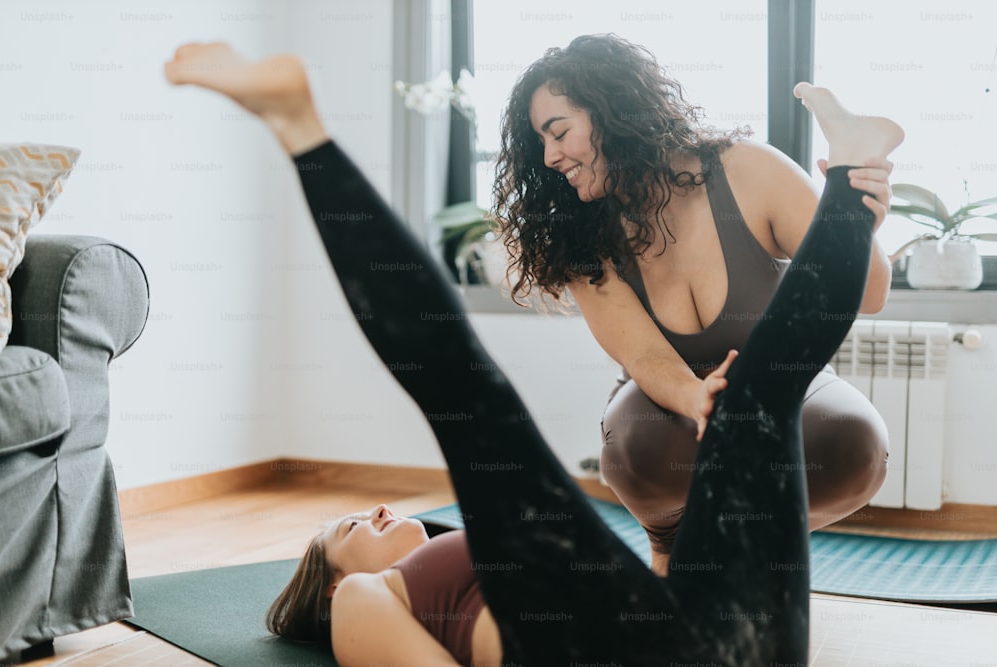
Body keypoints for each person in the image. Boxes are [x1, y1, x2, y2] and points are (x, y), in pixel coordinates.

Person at [164, 39, 903, 666]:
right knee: (479, 398)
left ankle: (299, 126)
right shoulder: (360, 595)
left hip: (659, 625)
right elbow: (643, 357)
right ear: (327, 584)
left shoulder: (430, 563)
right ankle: (850, 173)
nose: (374, 510)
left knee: (480, 401)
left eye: (559, 129)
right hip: (658, 637)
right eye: (346, 530)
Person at [492, 34, 894, 574]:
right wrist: (703, 400)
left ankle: (728, 548)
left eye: (559, 132)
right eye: (541, 142)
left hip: (780, 384)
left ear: (615, 110)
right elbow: (644, 358)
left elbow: (868, 294)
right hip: (670, 402)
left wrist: (853, 218)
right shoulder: (580, 233)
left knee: (854, 446)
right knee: (637, 451)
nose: (549, 156)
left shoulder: (748, 171)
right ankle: (675, 545)